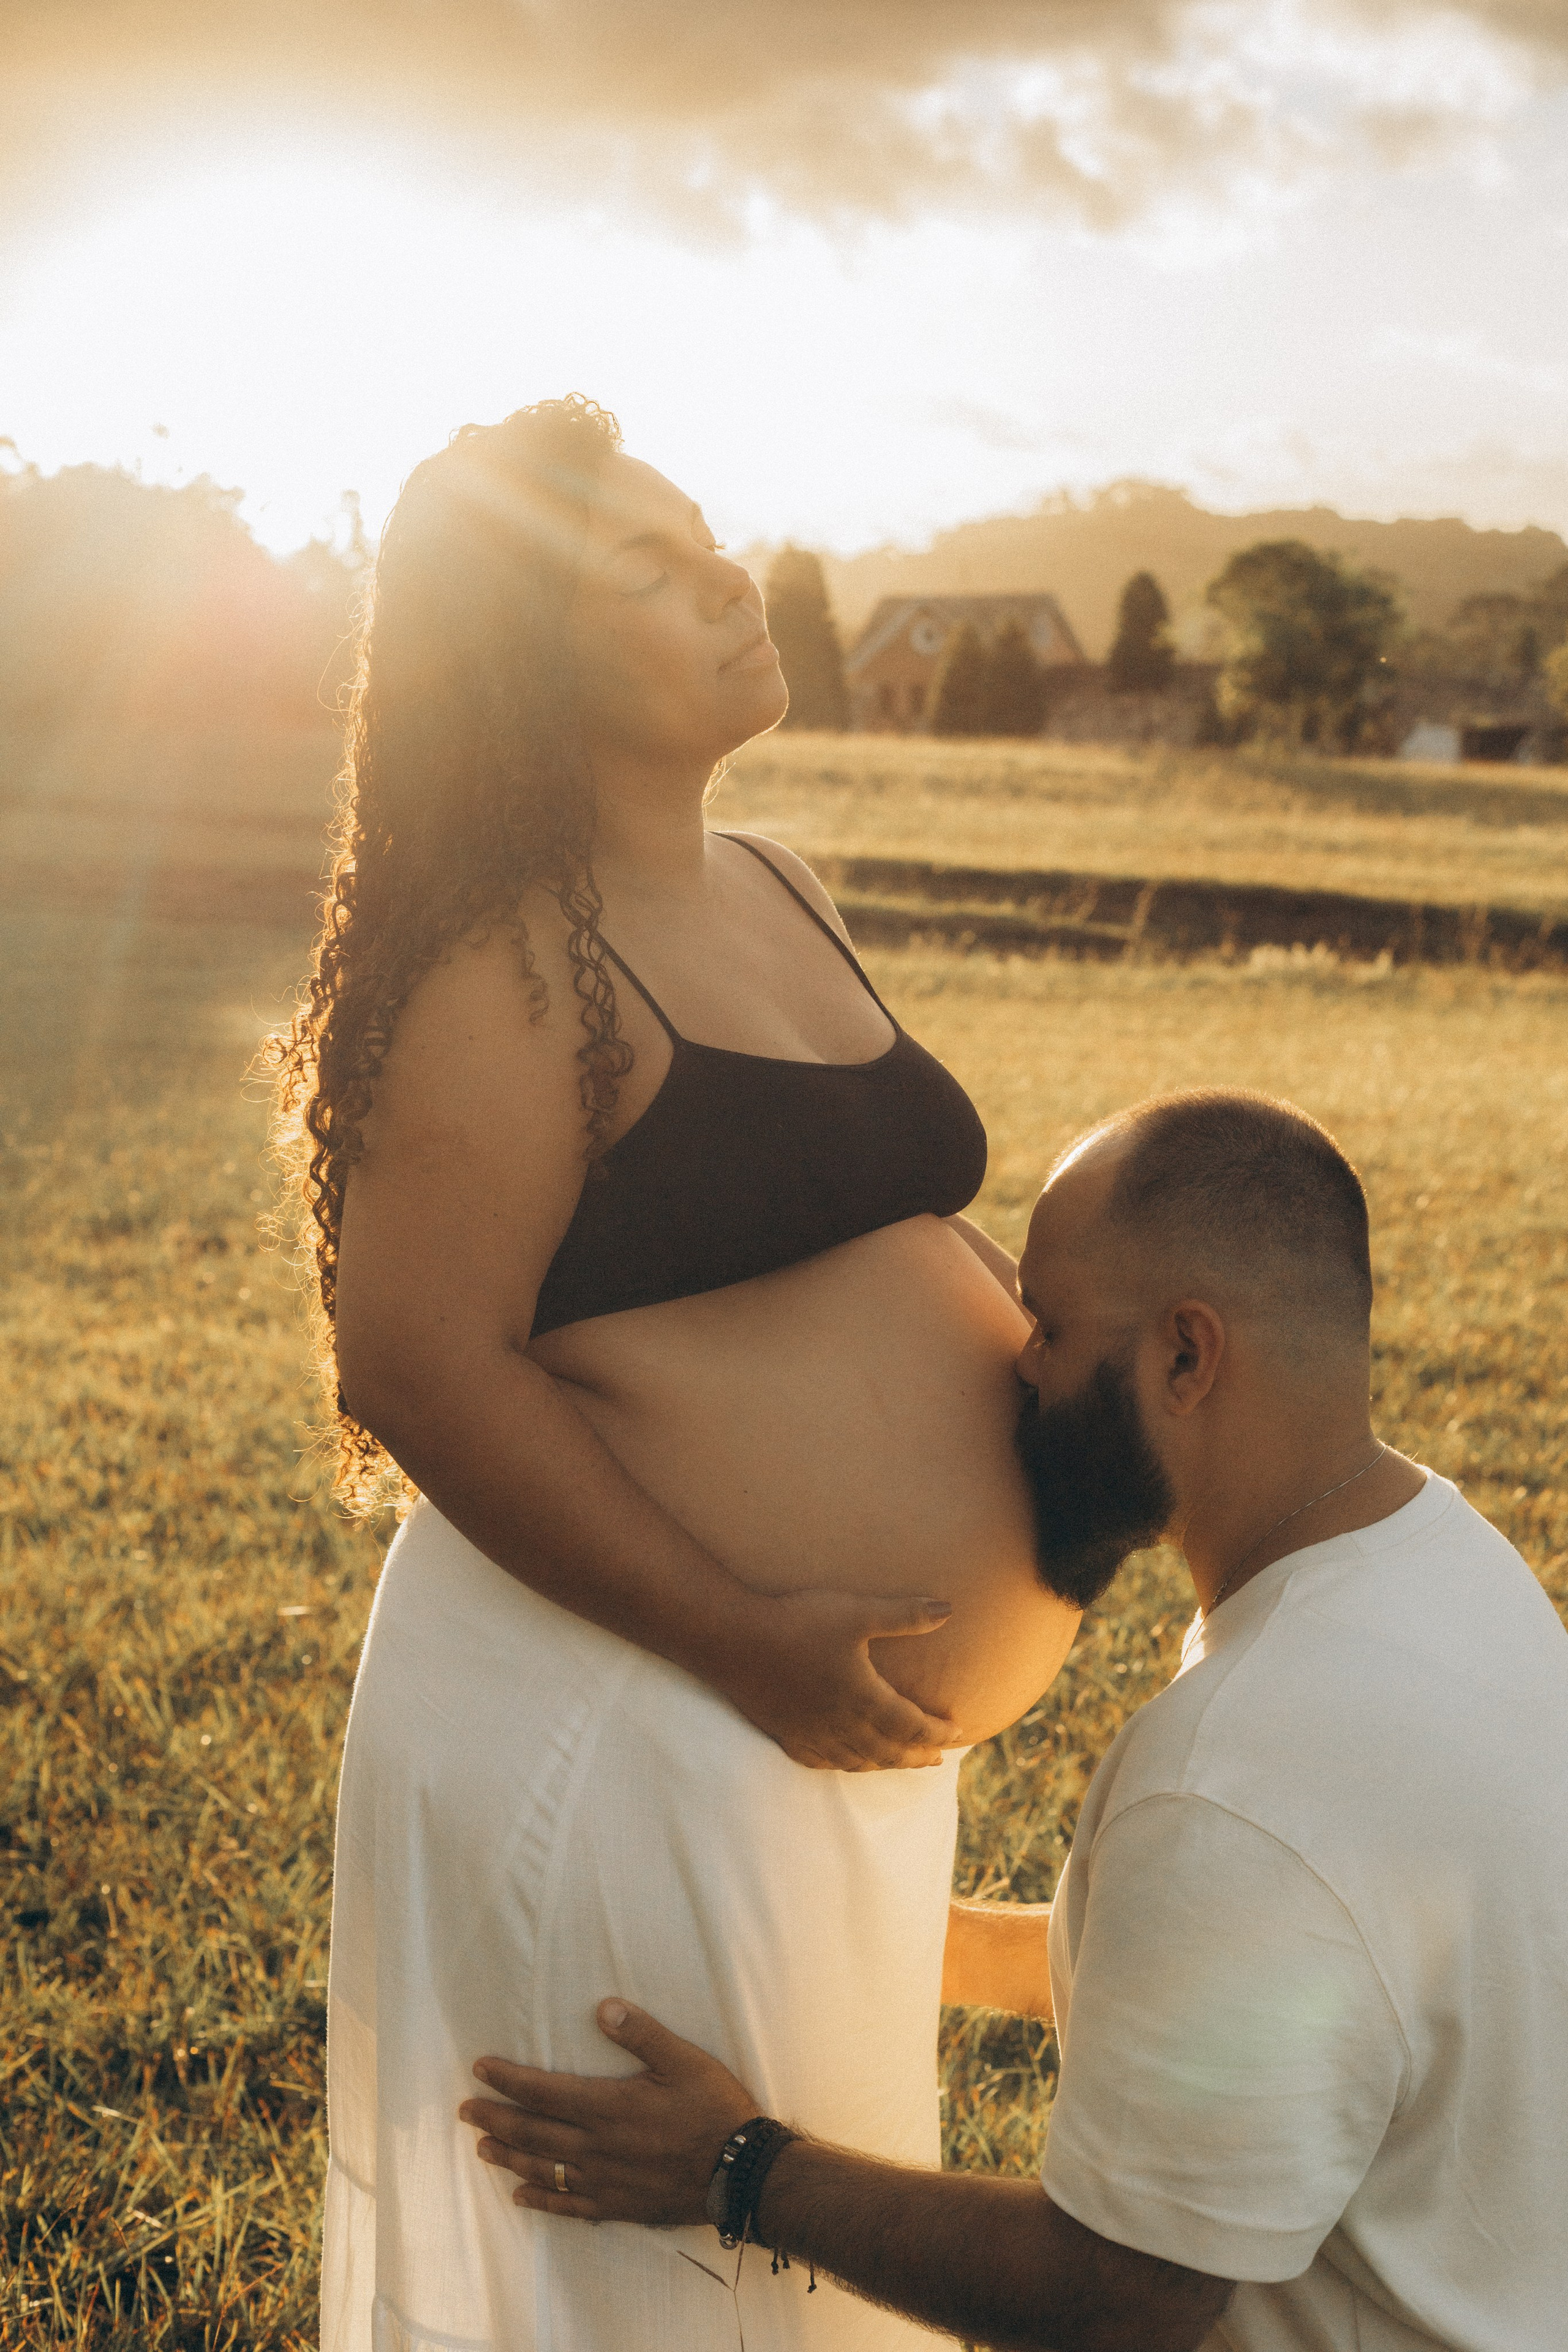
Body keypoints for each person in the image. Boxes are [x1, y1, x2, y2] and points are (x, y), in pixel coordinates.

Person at [271, 394, 1083, 2352]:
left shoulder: (781, 881)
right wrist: (738, 1634)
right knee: (662, 2288)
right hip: (633, 1698)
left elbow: (863, 1234)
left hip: (811, 1723)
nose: (724, 571)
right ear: (526, 664)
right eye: (645, 565)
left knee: (794, 2262)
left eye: (706, 528)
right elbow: (418, 1367)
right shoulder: (503, 965)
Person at [459, 1090, 1568, 2352]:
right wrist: (909, 1940)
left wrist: (728, 2167)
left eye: (1046, 1323)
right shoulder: (1448, 1570)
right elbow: (1295, 1977)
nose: (1015, 1364)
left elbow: (1113, 2297)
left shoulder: (1235, 1779)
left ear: (1184, 1357)